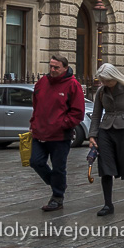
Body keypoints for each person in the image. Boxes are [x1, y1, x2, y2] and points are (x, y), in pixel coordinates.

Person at [88, 63, 124, 216]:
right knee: (105, 167)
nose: (105, 83)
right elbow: (96, 115)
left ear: (114, 77)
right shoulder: (101, 92)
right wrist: (92, 135)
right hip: (105, 131)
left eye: (107, 80)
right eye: (102, 81)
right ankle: (108, 205)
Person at [29, 55, 85, 211]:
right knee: (35, 162)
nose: (52, 70)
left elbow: (77, 113)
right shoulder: (42, 82)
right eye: (51, 66)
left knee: (59, 167)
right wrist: (34, 122)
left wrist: (62, 124)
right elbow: (36, 104)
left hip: (60, 136)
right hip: (40, 133)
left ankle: (57, 197)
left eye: (56, 67)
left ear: (65, 68)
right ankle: (57, 183)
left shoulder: (73, 85)